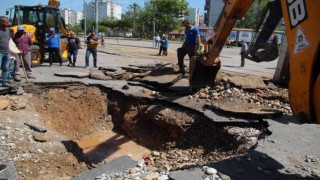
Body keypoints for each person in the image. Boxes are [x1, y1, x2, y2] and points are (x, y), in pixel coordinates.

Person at [0, 16, 12, 87]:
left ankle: (4, 82)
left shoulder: (8, 31)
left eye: (8, 22)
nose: (7, 24)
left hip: (7, 53)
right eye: (6, 22)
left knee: (6, 68)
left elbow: (8, 40)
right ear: (1, 22)